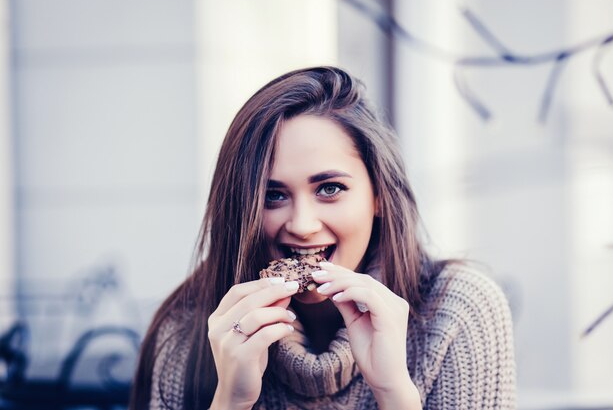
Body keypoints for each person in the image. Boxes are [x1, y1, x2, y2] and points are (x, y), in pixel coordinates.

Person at [129, 66, 516, 410]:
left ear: (379, 194)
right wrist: (231, 400)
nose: (302, 224)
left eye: (329, 188)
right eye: (272, 196)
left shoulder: (457, 311)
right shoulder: (190, 327)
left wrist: (394, 391)